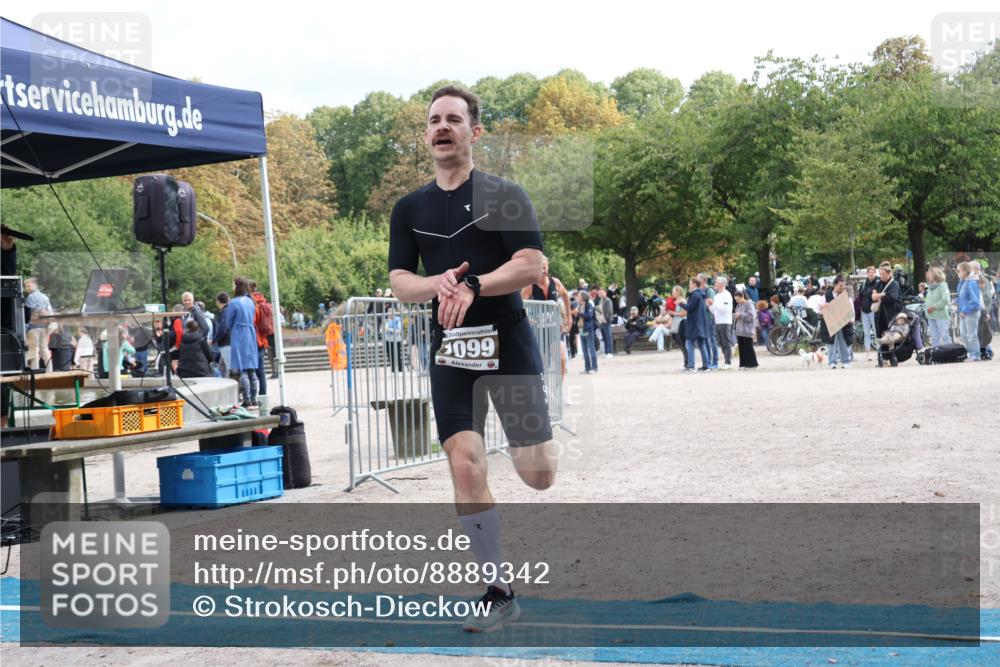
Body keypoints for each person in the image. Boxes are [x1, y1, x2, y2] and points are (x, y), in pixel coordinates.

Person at [387, 85, 556, 632]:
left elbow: (531, 265)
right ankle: (498, 590)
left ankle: (518, 441)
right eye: (434, 120)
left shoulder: (505, 194)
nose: (442, 127)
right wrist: (434, 283)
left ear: (474, 132)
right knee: (463, 464)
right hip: (452, 352)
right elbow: (399, 282)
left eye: (453, 119)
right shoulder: (409, 208)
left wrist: (476, 285)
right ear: (427, 133)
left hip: (507, 343)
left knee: (539, 474)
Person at [223, 277, 260, 407]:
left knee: (242, 368)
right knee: (251, 369)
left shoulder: (234, 302)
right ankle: (254, 398)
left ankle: (247, 400)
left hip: (239, 334)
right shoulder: (251, 301)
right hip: (250, 333)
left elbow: (228, 323)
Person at [871, 262, 903, 367]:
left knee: (891, 337)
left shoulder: (894, 284)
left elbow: (892, 298)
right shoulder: (879, 283)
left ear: (889, 274)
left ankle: (892, 357)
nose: (882, 277)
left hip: (891, 315)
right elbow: (872, 295)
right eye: (880, 274)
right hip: (880, 316)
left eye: (883, 274)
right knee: (881, 336)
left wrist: (879, 296)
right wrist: (881, 294)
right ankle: (883, 358)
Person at [679, 278, 711, 372]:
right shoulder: (700, 294)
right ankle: (706, 366)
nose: (689, 285)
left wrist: (680, 303)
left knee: (689, 343)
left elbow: (689, 307)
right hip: (700, 323)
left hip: (694, 323)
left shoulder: (695, 294)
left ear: (694, 284)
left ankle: (691, 366)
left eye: (690, 283)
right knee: (701, 344)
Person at [821, 275, 853, 369]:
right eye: (840, 285)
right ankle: (832, 362)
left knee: (844, 341)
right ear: (835, 285)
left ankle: (845, 361)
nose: (842, 287)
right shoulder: (826, 295)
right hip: (830, 323)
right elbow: (819, 308)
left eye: (843, 285)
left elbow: (851, 307)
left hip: (844, 323)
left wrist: (851, 319)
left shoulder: (846, 295)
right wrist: (824, 307)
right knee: (831, 343)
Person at [24, 277, 53, 371]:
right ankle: (50, 370)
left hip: (33, 327)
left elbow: (28, 313)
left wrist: (25, 327)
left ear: (35, 285)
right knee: (44, 348)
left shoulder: (31, 297)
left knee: (34, 349)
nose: (27, 288)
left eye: (29, 286)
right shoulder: (45, 297)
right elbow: (49, 311)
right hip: (44, 327)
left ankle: (35, 371)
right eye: (26, 286)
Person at [956, 262, 981, 361]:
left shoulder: (971, 283)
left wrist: (965, 310)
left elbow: (975, 302)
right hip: (963, 313)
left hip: (971, 313)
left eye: (959, 270)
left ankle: (975, 354)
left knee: (971, 334)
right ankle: (971, 353)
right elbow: (962, 298)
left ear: (965, 271)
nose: (957, 273)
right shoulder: (963, 283)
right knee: (963, 335)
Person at [924, 267, 952, 347]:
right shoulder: (930, 287)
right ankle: (935, 353)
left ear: (935, 275)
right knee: (934, 337)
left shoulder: (943, 285)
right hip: (930, 316)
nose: (928, 275)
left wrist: (933, 307)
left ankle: (950, 352)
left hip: (941, 316)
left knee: (945, 336)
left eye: (930, 274)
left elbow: (946, 299)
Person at [710, 276, 733, 369]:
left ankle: (728, 362)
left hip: (725, 321)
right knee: (721, 342)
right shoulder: (716, 295)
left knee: (726, 342)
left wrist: (714, 305)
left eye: (717, 282)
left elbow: (725, 309)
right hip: (717, 321)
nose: (715, 284)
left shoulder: (727, 294)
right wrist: (710, 305)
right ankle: (726, 360)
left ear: (722, 284)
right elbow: (714, 311)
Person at [858, 266, 879, 360]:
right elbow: (861, 295)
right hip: (864, 310)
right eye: (869, 272)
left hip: (873, 310)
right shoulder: (864, 284)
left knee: (876, 331)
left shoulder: (878, 283)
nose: (871, 274)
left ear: (875, 273)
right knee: (866, 333)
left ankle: (880, 351)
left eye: (872, 272)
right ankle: (868, 353)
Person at [733, 290, 758, 369]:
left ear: (742, 296)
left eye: (738, 299)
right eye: (736, 299)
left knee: (748, 348)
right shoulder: (738, 305)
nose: (737, 301)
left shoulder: (749, 304)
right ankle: (743, 364)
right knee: (742, 349)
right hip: (740, 330)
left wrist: (741, 315)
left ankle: (752, 364)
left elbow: (751, 317)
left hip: (747, 330)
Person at [665, 285, 687, 367]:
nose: (672, 293)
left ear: (678, 292)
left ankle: (687, 362)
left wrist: (673, 313)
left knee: (683, 344)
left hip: (681, 324)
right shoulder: (674, 300)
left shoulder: (682, 300)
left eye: (674, 291)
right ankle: (686, 362)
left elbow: (684, 313)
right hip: (675, 324)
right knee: (680, 343)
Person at [578, 290, 598, 372]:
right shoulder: (580, 306)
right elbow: (579, 317)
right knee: (584, 350)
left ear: (583, 297)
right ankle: (587, 368)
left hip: (588, 329)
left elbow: (590, 316)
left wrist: (579, 313)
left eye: (579, 296)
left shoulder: (589, 305)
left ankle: (594, 367)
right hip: (581, 329)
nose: (577, 297)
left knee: (591, 348)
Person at [214, 292, 233, 377]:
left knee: (230, 368)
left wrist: (214, 339)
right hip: (229, 341)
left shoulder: (225, 311)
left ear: (218, 302)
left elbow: (222, 329)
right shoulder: (229, 310)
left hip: (226, 343)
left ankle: (234, 387)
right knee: (221, 368)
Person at [596, 288, 615, 357]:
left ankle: (610, 352)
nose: (600, 294)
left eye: (601, 293)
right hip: (601, 321)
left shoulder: (608, 300)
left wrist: (605, 319)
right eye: (599, 293)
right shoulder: (600, 301)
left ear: (605, 293)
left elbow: (609, 311)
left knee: (608, 336)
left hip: (607, 320)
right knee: (604, 337)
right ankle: (606, 352)